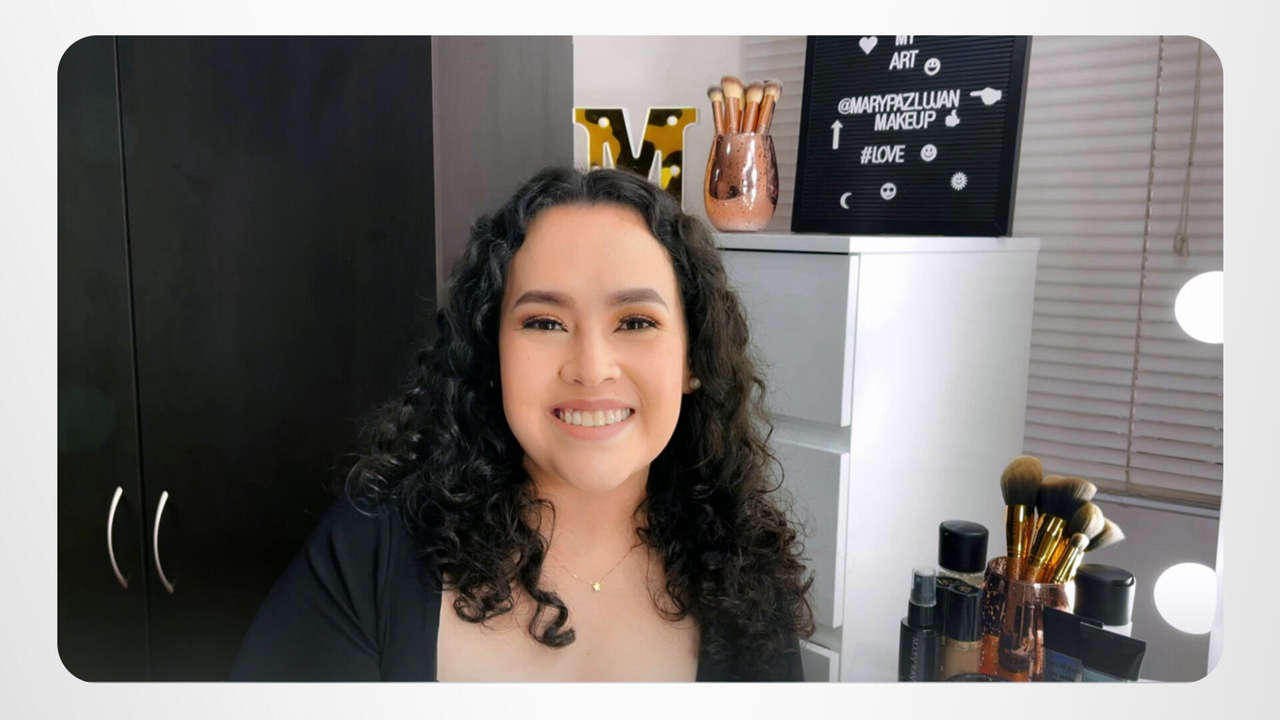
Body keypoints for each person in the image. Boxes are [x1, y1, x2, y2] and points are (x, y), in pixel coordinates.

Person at [229, 166, 815, 682]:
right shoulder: (373, 549)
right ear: (494, 355)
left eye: (636, 322)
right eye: (544, 323)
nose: (591, 368)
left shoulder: (747, 578)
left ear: (693, 360)